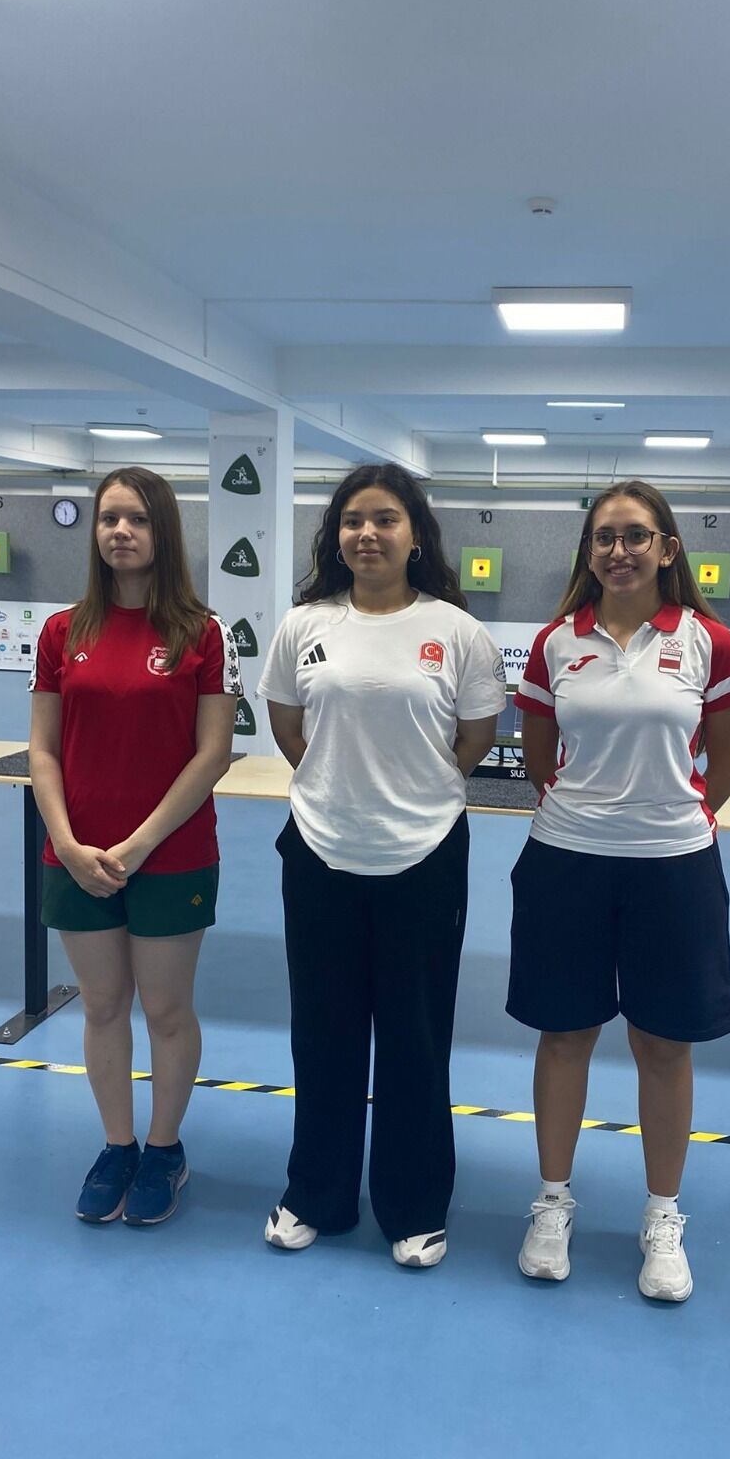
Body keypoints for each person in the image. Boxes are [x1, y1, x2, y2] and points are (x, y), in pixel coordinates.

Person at [507, 480, 730, 1300]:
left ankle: (663, 1216)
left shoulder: (709, 642)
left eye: (636, 536)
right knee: (565, 1034)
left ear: (667, 548)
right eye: (604, 537)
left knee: (664, 1043)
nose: (619, 551)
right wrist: (590, 814)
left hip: (675, 867)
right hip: (566, 861)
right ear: (588, 551)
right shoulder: (554, 643)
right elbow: (538, 755)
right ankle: (552, 1204)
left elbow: (726, 761)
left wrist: (676, 817)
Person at [257, 462, 504, 1267]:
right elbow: (287, 723)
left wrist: (415, 790)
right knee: (322, 1032)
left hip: (425, 855)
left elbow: (474, 739)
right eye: (353, 519)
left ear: (416, 535)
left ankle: (413, 1204)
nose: (368, 533)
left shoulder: (457, 632)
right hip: (320, 849)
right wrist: (336, 785)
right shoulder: (304, 624)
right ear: (336, 536)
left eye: (386, 519)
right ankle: (316, 1193)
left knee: (415, 1038)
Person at [29, 466, 240, 1225]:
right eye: (109, 518)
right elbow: (42, 749)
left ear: (164, 533)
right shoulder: (62, 633)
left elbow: (213, 754)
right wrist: (65, 842)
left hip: (173, 856)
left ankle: (163, 1148)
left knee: (166, 1009)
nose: (121, 531)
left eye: (139, 519)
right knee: (103, 1005)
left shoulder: (203, 633)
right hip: (76, 857)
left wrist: (142, 844)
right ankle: (117, 1146)